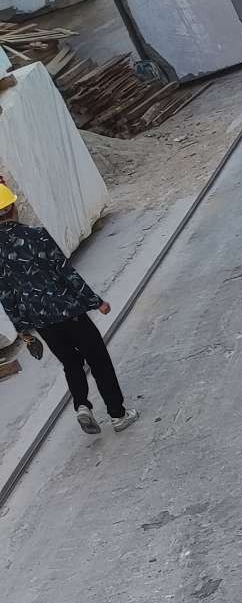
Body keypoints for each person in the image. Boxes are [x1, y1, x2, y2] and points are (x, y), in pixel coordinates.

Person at [0, 181, 136, 434]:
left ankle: (82, 405)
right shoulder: (38, 236)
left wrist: (22, 328)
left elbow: (6, 295)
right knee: (98, 360)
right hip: (68, 310)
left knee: (71, 363)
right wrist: (96, 302)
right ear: (13, 207)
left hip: (41, 321)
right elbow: (66, 273)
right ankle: (117, 415)